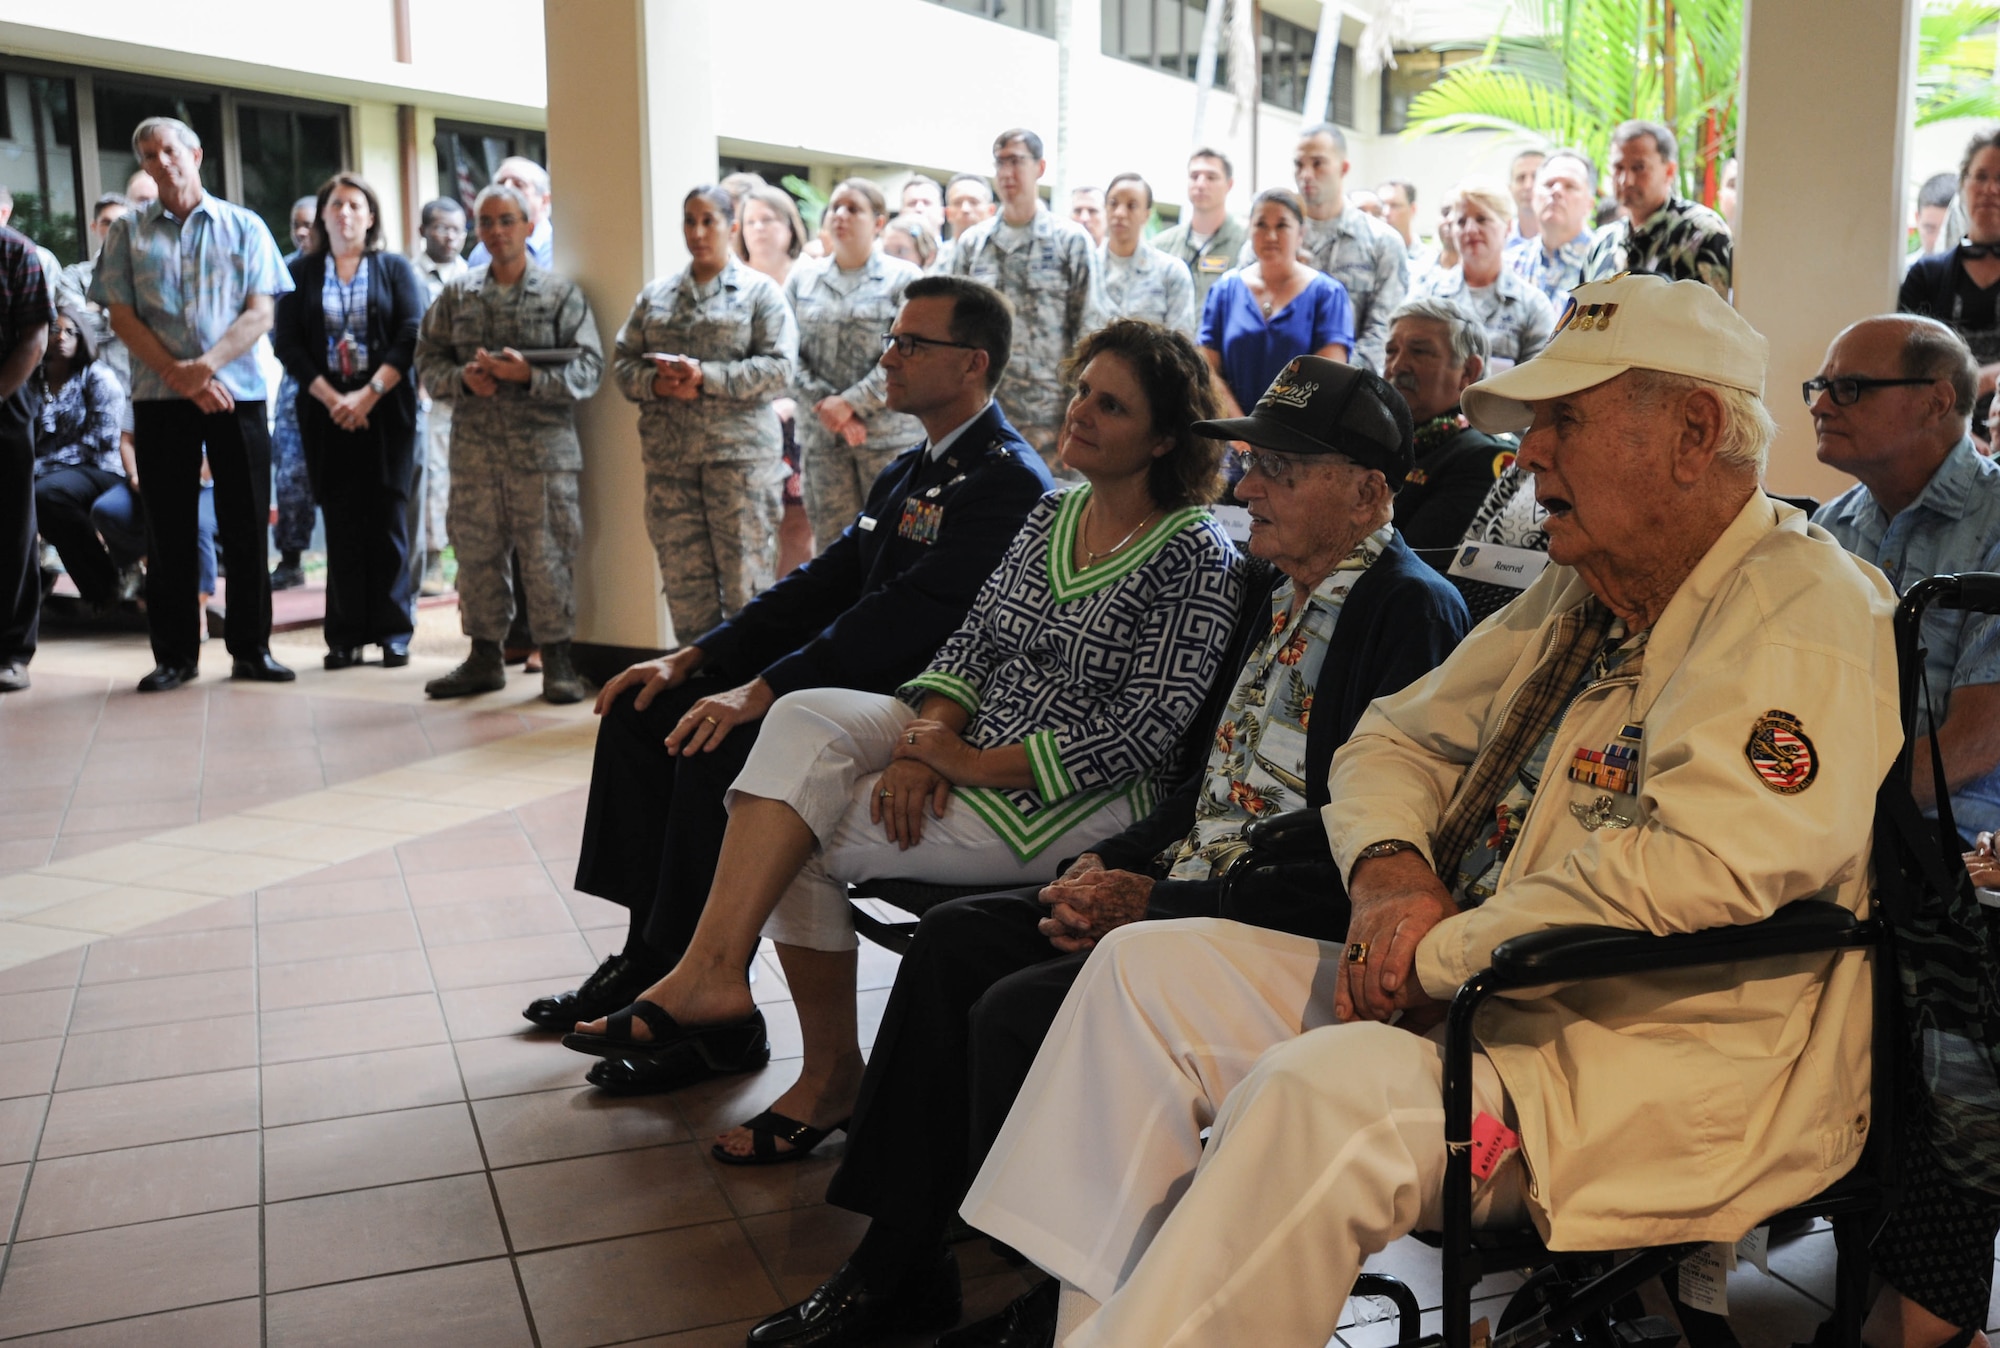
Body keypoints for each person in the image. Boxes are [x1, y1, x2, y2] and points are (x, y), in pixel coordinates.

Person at [957, 273, 1898, 1347]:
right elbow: (1390, 739)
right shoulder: (1579, 589)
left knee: (1321, 1091)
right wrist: (1392, 874)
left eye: (1563, 420)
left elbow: (1704, 870)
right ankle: (1093, 1329)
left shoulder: (1798, 607)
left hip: (1636, 1057)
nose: (1528, 453)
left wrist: (1439, 947)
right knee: (1139, 973)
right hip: (1480, 996)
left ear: (1690, 433)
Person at [750, 358, 1471, 1348]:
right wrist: (1112, 866)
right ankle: (900, 1262)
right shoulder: (1279, 592)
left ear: (1365, 490)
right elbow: (1204, 780)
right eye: (1249, 462)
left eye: (1278, 470)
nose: (1246, 486)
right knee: (950, 948)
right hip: (1188, 889)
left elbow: (1358, 834)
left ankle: (1062, 1304)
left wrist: (1158, 901)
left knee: (1014, 1009)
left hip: (1274, 926)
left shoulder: (1408, 608)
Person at [564, 322, 1241, 1176]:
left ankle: (827, 1075)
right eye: (1082, 392)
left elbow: (1146, 731)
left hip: (1076, 797)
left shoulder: (1194, 551)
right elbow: (971, 647)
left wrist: (968, 764)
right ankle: (714, 968)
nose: (1082, 414)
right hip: (965, 738)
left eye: (1113, 405)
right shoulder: (1053, 513)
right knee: (803, 717)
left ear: (1166, 437)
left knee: (800, 829)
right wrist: (930, 744)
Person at [531, 276, 1053, 1043]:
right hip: (847, 683)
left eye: (913, 343)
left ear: (972, 363)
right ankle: (651, 954)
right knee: (648, 711)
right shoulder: (912, 469)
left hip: (915, 702)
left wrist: (763, 691)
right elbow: (821, 584)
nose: (891, 358)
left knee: (725, 744)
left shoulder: (1006, 480)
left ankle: (710, 1001)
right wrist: (694, 657)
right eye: (892, 339)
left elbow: (902, 619)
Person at [90, 115, 294, 694]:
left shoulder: (245, 225)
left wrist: (202, 368)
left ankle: (252, 649)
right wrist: (177, 377)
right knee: (168, 529)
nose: (163, 162)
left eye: (171, 150)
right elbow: (120, 315)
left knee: (247, 522)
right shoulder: (128, 233)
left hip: (238, 394)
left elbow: (260, 313)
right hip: (159, 398)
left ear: (196, 153)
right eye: (150, 155)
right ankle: (175, 656)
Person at [1810, 315, 2000, 844]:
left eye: (1848, 388)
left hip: (1960, 845)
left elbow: (1978, 740)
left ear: (1935, 402)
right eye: (1820, 387)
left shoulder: (1996, 523)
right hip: (1837, 822)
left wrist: (1826, 800)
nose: (1820, 405)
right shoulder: (1828, 528)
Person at [414, 181, 603, 704]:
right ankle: (483, 656)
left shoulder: (560, 294)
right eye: (487, 222)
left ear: (527, 225)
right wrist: (460, 381)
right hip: (474, 452)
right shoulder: (457, 294)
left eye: (506, 221)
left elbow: (590, 369)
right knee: (475, 555)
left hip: (542, 455)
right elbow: (427, 358)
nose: (496, 232)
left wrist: (527, 377)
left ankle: (558, 659)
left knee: (547, 557)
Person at [613, 185, 798, 645]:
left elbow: (780, 369)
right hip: (670, 466)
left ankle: (744, 695)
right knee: (684, 585)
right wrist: (655, 383)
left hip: (740, 467)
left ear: (731, 227)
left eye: (708, 221)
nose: (698, 232)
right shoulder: (656, 296)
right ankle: (693, 692)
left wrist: (707, 378)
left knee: (746, 586)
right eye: (689, 221)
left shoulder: (760, 293)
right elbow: (622, 364)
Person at [273, 173, 426, 672]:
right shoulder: (301, 271)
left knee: (387, 523)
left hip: (386, 412)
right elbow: (289, 345)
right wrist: (335, 398)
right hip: (324, 413)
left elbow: (410, 333)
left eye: (354, 205)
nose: (344, 213)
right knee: (340, 524)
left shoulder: (395, 268)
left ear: (371, 216)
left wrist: (367, 394)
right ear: (322, 215)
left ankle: (393, 633)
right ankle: (344, 636)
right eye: (335, 204)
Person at [946, 128, 1102, 477]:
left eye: (1016, 161)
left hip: (1050, 419)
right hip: (983, 415)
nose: (1006, 173)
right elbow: (954, 334)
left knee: (1052, 521)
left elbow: (1090, 334)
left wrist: (1078, 416)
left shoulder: (1069, 241)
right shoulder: (974, 244)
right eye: (1000, 162)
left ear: (1040, 167)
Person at [785, 178, 925, 548]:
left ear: (879, 222)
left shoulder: (904, 279)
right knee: (834, 551)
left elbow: (910, 351)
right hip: (823, 439)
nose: (841, 215)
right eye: (835, 207)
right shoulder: (803, 279)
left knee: (896, 546)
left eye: (854, 208)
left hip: (888, 439)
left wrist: (851, 403)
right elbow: (786, 352)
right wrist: (830, 407)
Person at [1238, 124, 1407, 373]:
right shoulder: (1265, 241)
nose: (1306, 174)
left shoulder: (1382, 242)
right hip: (1265, 385)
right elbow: (1241, 316)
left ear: (1343, 168)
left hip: (1351, 389)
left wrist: (1328, 383)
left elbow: (1384, 331)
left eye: (1318, 163)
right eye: (1299, 164)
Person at [1200, 188, 1353, 425]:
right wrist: (1240, 433)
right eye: (1261, 225)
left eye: (1282, 225)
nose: (1270, 235)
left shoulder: (1327, 294)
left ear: (1300, 233)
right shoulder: (1224, 290)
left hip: (1299, 438)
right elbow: (1208, 370)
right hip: (1232, 437)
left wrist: (1276, 439)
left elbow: (1330, 378)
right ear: (1249, 230)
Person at [1382, 298, 1514, 551]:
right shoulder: (1379, 438)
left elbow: (1416, 562)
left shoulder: (1484, 455)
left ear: (1468, 372)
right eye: (1391, 351)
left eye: (1418, 351)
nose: (1397, 366)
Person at [733, 184, 814, 574]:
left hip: (801, 421)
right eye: (750, 221)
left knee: (798, 525)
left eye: (769, 219)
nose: (759, 228)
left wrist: (795, 401)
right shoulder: (733, 285)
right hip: (748, 423)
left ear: (790, 228)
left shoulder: (810, 280)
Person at [30, 306, 127, 610]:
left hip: (99, 467)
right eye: (55, 330)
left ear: (82, 336)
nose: (61, 337)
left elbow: (102, 440)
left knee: (46, 494)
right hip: (47, 470)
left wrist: (40, 466)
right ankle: (33, 580)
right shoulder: (34, 379)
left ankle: (103, 584)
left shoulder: (97, 377)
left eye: (70, 331)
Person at [1902, 131, 2000, 422]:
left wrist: (1984, 378)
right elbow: (1908, 366)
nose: (1990, 189)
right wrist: (1961, 439)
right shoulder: (1924, 276)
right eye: (1980, 176)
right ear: (1963, 184)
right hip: (1939, 430)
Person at [1412, 179, 1557, 370]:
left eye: (1482, 219)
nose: (1470, 230)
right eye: (1461, 222)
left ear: (1508, 227)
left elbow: (1537, 380)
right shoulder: (1428, 295)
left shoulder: (1533, 305)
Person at [1583, 120, 1733, 299]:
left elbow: (1714, 320)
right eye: (1618, 168)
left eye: (1639, 168)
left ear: (1669, 171)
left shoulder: (1701, 233)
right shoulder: (1602, 242)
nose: (1626, 180)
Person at [410, 198, 468, 596]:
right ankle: (431, 561)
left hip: (468, 391)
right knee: (432, 475)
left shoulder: (474, 275)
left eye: (457, 229)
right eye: (441, 227)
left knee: (466, 475)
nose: (449, 236)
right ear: (423, 231)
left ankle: (466, 562)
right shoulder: (409, 275)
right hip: (426, 391)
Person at [270, 194, 321, 593]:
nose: (302, 232)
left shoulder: (346, 267)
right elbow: (276, 335)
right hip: (295, 387)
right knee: (290, 476)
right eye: (296, 225)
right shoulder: (284, 271)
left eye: (310, 224)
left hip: (347, 388)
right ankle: (290, 560)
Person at [1095, 173, 1196, 339]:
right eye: (1113, 203)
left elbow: (1181, 345)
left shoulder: (1171, 272)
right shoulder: (1086, 268)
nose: (1120, 212)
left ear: (1146, 214)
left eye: (1131, 205)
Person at [1151, 148, 1247, 313]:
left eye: (1211, 177)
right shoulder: (1160, 246)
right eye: (1194, 177)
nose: (1201, 184)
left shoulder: (1247, 242)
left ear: (1229, 184)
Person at [1507, 149, 1598, 309]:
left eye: (1570, 186)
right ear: (1534, 196)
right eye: (1548, 184)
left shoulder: (1603, 264)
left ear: (1589, 204)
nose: (1556, 191)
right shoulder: (1509, 264)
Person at [465, 156, 552, 268]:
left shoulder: (561, 250)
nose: (507, 189)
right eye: (500, 184)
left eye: (519, 184)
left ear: (544, 200)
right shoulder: (481, 253)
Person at [936, 173, 995, 273]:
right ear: (947, 213)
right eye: (957, 203)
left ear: (991, 211)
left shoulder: (1002, 252)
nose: (965, 209)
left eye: (974, 202)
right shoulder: (935, 258)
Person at [1506, 147, 1547, 242]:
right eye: (1521, 178)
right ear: (1510, 189)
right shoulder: (1499, 242)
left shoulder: (1570, 241)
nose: (1528, 186)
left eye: (1536, 177)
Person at [1914, 171, 1959, 258]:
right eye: (1930, 229)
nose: (1938, 241)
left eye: (1949, 231)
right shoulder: (1899, 270)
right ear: (1917, 220)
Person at [1377, 179, 1420, 253]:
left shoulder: (1430, 260)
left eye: (1394, 206)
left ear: (1413, 210)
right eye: (1381, 205)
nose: (1385, 213)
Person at [899, 174, 945, 239]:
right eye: (912, 203)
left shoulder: (957, 249)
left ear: (942, 214)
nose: (919, 209)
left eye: (927, 203)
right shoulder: (885, 249)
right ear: (901, 214)